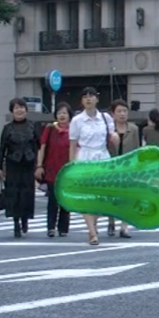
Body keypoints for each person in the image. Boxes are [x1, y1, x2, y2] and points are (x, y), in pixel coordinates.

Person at [69, 87, 119, 245]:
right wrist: (72, 166)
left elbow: (113, 135)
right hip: (85, 157)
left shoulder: (105, 118)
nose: (88, 99)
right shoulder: (77, 120)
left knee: (102, 196)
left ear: (97, 99)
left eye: (91, 96)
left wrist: (115, 137)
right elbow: (73, 145)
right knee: (86, 196)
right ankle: (92, 232)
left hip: (102, 157)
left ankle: (94, 222)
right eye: (85, 96)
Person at [0, 98, 40, 238]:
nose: (19, 110)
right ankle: (16, 223)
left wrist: (39, 165)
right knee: (14, 194)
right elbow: (2, 149)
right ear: (12, 111)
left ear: (26, 110)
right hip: (13, 165)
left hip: (29, 164)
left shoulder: (33, 126)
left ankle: (25, 218)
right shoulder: (7, 128)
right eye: (16, 108)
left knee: (27, 193)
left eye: (21, 107)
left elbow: (39, 147)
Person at [36, 102, 73, 237]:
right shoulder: (50, 129)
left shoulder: (74, 130)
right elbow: (42, 147)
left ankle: (63, 228)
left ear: (69, 115)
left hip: (68, 169)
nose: (62, 115)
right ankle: (51, 227)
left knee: (65, 199)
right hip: (52, 168)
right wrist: (39, 165)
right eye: (59, 113)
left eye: (64, 113)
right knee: (52, 198)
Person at [108, 98, 140, 238]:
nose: (122, 114)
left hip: (128, 167)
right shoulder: (109, 130)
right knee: (112, 196)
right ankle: (111, 221)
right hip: (112, 167)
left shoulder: (134, 129)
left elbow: (137, 149)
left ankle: (124, 227)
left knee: (127, 197)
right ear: (113, 114)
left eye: (125, 111)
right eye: (119, 111)